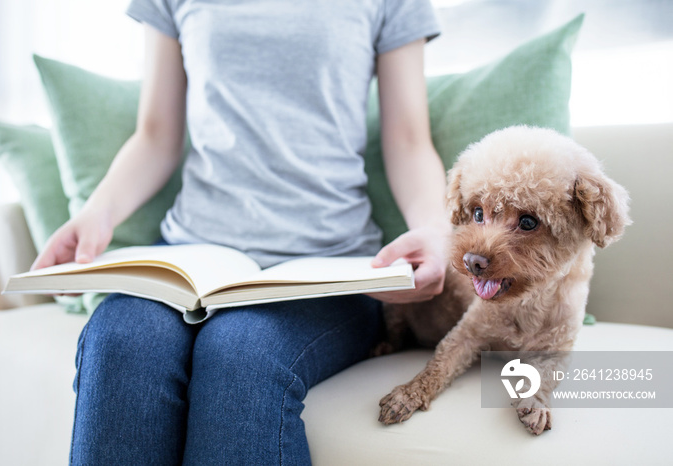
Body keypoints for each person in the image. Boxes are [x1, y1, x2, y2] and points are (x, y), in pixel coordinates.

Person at [32, 0, 451, 464]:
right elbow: (155, 135)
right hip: (190, 256)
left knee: (240, 353)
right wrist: (97, 213)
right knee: (119, 342)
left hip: (331, 269)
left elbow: (409, 141)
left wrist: (435, 230)